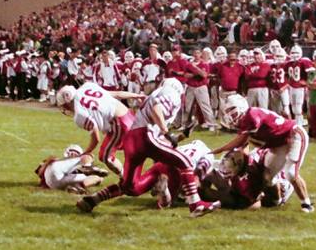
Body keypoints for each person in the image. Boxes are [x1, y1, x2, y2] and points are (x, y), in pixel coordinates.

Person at [75, 78, 220, 217]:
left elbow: (159, 128)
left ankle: (93, 199)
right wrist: (166, 131)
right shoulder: (171, 93)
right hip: (146, 136)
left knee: (131, 187)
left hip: (133, 139)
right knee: (185, 162)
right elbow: (157, 109)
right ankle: (195, 204)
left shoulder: (156, 93)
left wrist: (178, 136)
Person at [211, 96, 314, 213]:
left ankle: (307, 204)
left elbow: (242, 139)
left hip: (293, 135)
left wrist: (221, 149)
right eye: (228, 112)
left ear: (242, 107)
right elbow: (243, 146)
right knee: (267, 177)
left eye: (232, 110)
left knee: (291, 173)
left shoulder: (251, 115)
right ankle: (278, 199)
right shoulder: (245, 122)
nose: (230, 115)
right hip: (278, 144)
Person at [55, 82, 143, 176]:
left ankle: (126, 179)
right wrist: (135, 95)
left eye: (64, 106)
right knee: (135, 150)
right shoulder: (87, 86)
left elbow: (96, 138)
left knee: (105, 156)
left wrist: (86, 152)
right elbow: (116, 94)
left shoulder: (79, 115)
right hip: (128, 114)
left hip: (119, 123)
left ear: (67, 103)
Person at [35, 144, 108, 193]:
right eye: (72, 152)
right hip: (56, 177)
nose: (73, 154)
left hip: (53, 185)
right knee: (89, 155)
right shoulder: (57, 161)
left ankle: (76, 188)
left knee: (97, 178)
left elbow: (39, 173)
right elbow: (39, 172)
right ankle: (88, 167)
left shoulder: (56, 162)